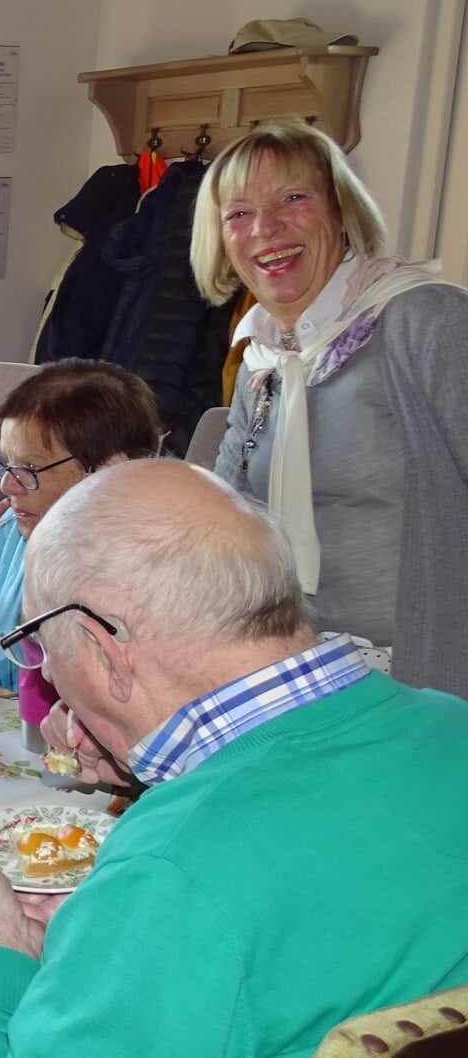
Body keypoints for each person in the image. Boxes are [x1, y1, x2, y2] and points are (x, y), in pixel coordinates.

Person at [0, 459, 468, 1058]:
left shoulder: (172, 870)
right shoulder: (450, 720)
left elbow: (211, 875)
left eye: (40, 646)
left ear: (104, 648)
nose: (44, 672)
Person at [193, 118, 468, 696]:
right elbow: (224, 515)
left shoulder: (426, 321)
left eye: (293, 199)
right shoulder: (262, 357)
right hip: (291, 669)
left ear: (341, 211)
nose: (266, 229)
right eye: (238, 214)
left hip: (422, 680)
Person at [0, 359, 161, 693]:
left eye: (30, 468)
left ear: (107, 471)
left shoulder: (147, 574)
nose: (8, 486)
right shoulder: (13, 528)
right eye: (7, 463)